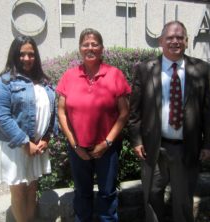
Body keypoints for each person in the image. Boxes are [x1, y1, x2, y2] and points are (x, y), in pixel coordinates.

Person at [128, 21, 210, 222]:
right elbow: (135, 110)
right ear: (161, 41)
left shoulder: (201, 69)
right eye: (170, 37)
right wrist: (136, 140)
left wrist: (209, 143)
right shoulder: (145, 69)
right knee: (152, 196)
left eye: (180, 37)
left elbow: (209, 110)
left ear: (186, 41)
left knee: (183, 201)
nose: (175, 41)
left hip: (186, 148)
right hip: (153, 147)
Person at [56, 28, 131, 222]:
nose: (90, 48)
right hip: (77, 148)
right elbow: (61, 112)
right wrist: (74, 145)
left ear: (102, 48)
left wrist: (106, 143)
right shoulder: (69, 76)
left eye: (94, 44)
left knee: (107, 193)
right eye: (85, 44)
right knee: (82, 193)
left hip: (107, 148)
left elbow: (124, 112)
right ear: (80, 49)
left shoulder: (114, 74)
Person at [0, 36, 56, 222]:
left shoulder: (43, 81)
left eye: (31, 54)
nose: (27, 58)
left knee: (32, 187)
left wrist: (47, 137)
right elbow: (2, 117)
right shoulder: (4, 82)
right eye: (22, 54)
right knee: (19, 190)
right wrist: (24, 143)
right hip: (15, 146)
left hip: (38, 144)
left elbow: (52, 110)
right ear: (14, 55)